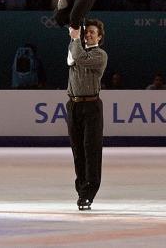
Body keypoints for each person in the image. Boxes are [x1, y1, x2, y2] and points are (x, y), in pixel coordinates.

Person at [66, 19, 107, 211]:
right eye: (87, 32)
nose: (88, 34)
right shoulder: (76, 49)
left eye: (92, 32)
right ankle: (82, 187)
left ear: (99, 37)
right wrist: (75, 37)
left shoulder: (100, 55)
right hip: (73, 105)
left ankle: (89, 192)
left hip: (91, 106)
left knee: (91, 149)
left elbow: (80, 59)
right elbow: (70, 59)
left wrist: (75, 39)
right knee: (78, 150)